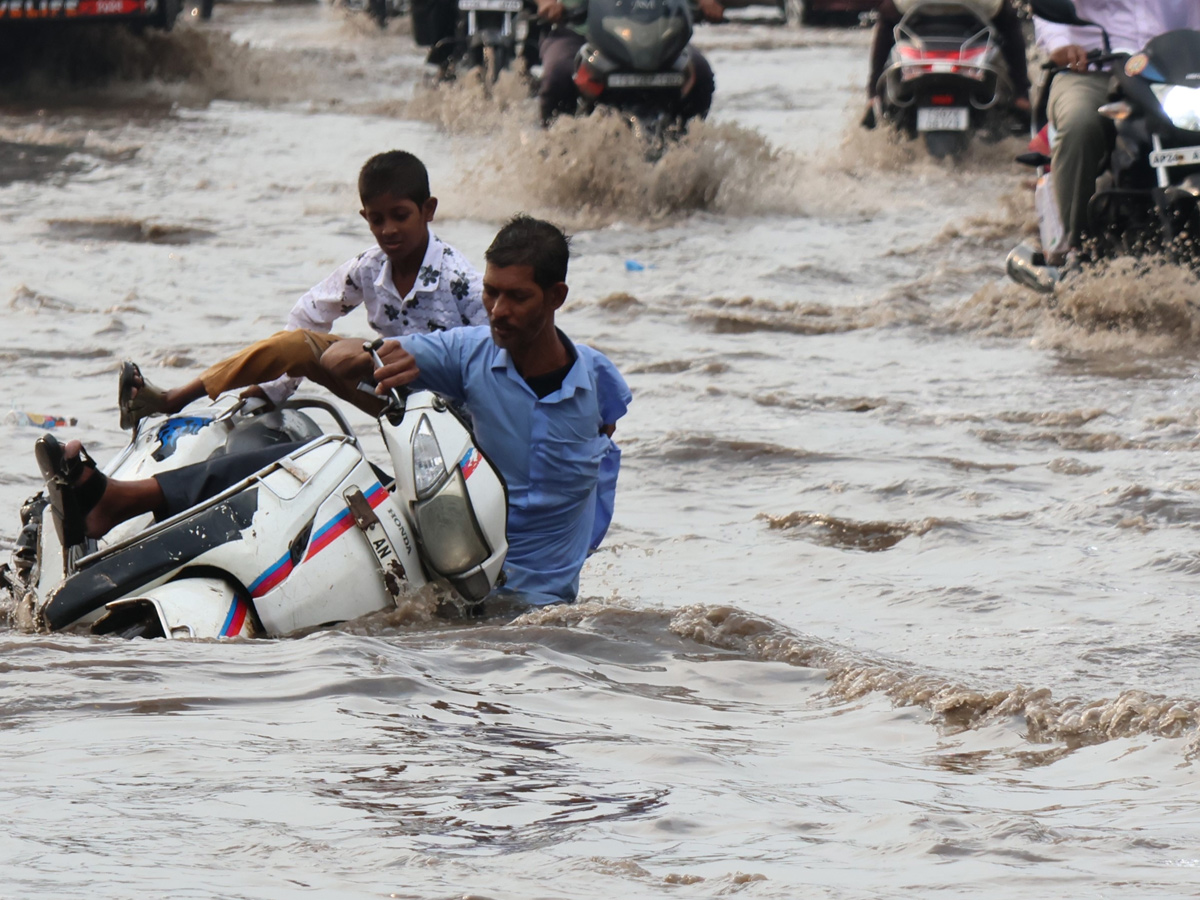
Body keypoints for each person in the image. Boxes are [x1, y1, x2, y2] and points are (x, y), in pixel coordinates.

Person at [39, 216, 632, 607]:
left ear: (556, 298)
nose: (498, 309)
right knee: (301, 460)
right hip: (454, 552)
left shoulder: (600, 380)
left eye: (517, 297)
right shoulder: (471, 352)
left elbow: (607, 453)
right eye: (492, 293)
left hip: (540, 606)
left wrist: (582, 541)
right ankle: (121, 503)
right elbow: (389, 353)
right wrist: (361, 353)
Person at [119, 150, 487, 430]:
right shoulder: (368, 267)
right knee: (297, 344)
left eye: (400, 216)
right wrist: (274, 389)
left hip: (458, 419)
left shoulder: (460, 280)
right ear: (365, 218)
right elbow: (309, 315)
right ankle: (170, 399)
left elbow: (496, 356)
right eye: (377, 219)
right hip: (392, 400)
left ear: (428, 210)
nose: (388, 230)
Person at [1034, 0, 1200, 264]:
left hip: (1171, 75)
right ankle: (1075, 247)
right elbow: (1050, 10)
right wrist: (1061, 45)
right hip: (1092, 69)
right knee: (1080, 124)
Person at [535, 0, 719, 125]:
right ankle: (550, 152)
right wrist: (547, 3)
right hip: (576, 31)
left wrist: (706, 3)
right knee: (559, 75)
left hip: (656, 36)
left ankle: (687, 145)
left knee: (699, 73)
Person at [862, 0, 1032, 129]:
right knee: (1009, 20)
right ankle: (1020, 95)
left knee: (886, 17)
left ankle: (873, 94)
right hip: (978, 4)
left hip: (915, 4)